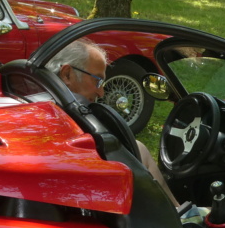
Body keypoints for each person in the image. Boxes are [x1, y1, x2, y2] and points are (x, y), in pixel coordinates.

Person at [47, 40, 179, 206]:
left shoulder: (41, 95)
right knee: (139, 149)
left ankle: (178, 212)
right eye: (97, 81)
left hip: (61, 176)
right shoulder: (61, 109)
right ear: (67, 74)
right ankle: (178, 214)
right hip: (74, 182)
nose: (101, 92)